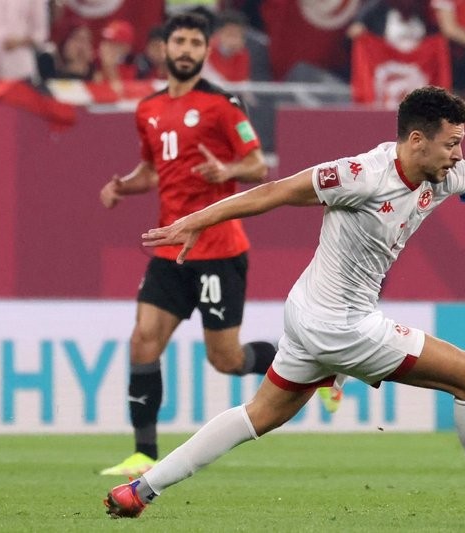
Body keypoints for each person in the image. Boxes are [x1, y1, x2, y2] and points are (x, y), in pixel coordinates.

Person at [103, 85, 465, 520]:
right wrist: (197, 220)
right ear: (417, 140)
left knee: (260, 415)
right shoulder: (360, 175)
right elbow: (274, 192)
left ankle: (141, 489)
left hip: (310, 313)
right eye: (451, 143)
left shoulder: (447, 176)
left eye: (460, 143)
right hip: (340, 325)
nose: (459, 154)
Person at [97, 12, 315, 478]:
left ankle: (311, 365)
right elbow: (153, 170)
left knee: (226, 359)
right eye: (180, 41)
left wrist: (227, 170)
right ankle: (144, 453)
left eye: (196, 43)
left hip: (219, 248)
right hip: (169, 247)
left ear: (206, 51)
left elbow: (257, 166)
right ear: (165, 48)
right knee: (143, 341)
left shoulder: (222, 104)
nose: (187, 50)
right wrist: (122, 186)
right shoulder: (148, 108)